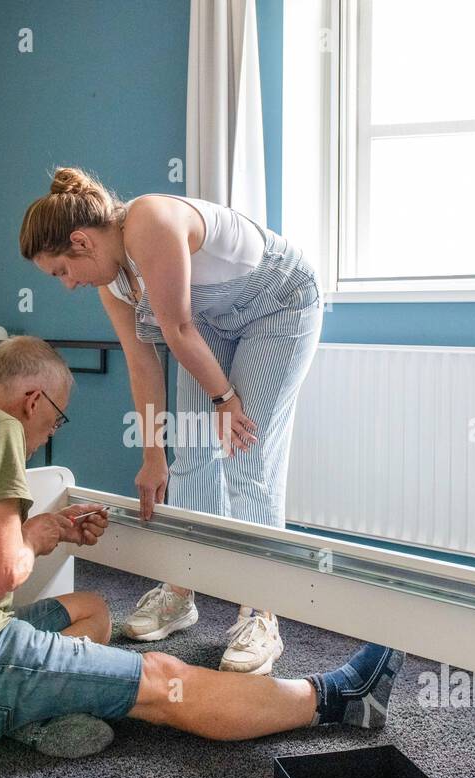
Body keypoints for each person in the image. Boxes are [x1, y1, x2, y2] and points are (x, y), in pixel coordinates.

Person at [0, 335, 404, 758]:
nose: (45, 436)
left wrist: (47, 529)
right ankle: (340, 699)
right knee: (165, 680)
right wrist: (38, 533)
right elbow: (0, 576)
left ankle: (38, 711)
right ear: (31, 400)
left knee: (93, 609)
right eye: (53, 420)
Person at [20, 168, 327, 677]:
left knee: (245, 452)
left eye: (61, 271)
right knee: (190, 452)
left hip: (278, 307)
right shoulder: (112, 283)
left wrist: (225, 399)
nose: (68, 285)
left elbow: (179, 327)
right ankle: (183, 586)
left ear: (80, 241)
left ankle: (261, 609)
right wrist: (152, 455)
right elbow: (143, 364)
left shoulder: (149, 221)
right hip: (208, 327)